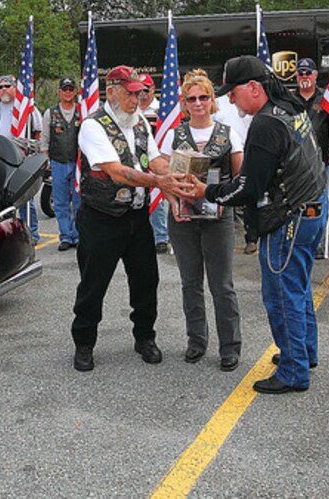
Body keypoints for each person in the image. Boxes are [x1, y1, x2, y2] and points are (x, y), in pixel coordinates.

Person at [188, 55, 327, 394]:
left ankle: (294, 371)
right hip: (312, 208)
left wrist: (207, 191)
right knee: (299, 288)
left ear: (253, 87)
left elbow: (247, 187)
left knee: (281, 294)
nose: (229, 100)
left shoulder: (265, 125)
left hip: (288, 217)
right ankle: (303, 353)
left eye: (232, 92)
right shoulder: (290, 105)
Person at [70, 65, 193, 372]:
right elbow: (116, 171)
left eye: (139, 93)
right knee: (93, 283)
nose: (136, 99)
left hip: (136, 217)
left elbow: (155, 161)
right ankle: (84, 343)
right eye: (130, 93)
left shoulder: (140, 124)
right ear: (111, 91)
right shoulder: (92, 126)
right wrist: (158, 183)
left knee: (146, 280)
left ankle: (145, 337)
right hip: (101, 218)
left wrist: (181, 176)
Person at [161, 70, 244, 372]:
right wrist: (173, 203)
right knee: (190, 283)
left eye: (203, 97)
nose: (198, 103)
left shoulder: (228, 133)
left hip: (217, 218)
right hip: (183, 220)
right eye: (191, 98)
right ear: (184, 103)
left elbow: (240, 179)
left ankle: (230, 347)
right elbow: (162, 176)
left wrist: (223, 201)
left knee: (222, 284)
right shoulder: (175, 135)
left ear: (212, 100)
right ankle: (196, 341)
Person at [0, 74, 41, 243]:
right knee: (1, 200)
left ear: (15, 87)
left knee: (25, 198)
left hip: (21, 158)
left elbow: (38, 131)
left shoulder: (27, 109)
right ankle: (7, 235)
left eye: (7, 86)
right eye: (0, 87)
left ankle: (32, 233)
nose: (4, 90)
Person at [295, 58, 329, 259]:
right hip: (296, 161)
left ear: (316, 75)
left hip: (320, 160)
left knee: (319, 202)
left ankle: (317, 242)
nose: (305, 77)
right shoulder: (289, 100)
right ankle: (299, 238)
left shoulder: (326, 99)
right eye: (301, 73)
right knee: (297, 201)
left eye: (308, 73)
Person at [213, 88, 257, 255]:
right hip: (223, 153)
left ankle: (251, 238)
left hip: (247, 150)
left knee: (248, 193)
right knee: (225, 190)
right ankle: (224, 234)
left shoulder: (248, 98)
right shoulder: (219, 102)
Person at [41, 78, 81, 251]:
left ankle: (78, 235)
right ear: (59, 91)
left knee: (79, 201)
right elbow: (44, 139)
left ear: (75, 92)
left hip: (78, 163)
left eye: (71, 89)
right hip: (58, 163)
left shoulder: (82, 111)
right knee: (60, 201)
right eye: (64, 89)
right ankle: (65, 236)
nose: (67, 92)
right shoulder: (50, 113)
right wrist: (46, 160)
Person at [140, 73, 170, 254]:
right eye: (140, 90)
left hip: (157, 158)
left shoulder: (161, 110)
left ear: (153, 89)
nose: (143, 94)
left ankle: (161, 236)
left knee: (158, 198)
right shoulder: (132, 110)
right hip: (137, 159)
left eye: (146, 89)